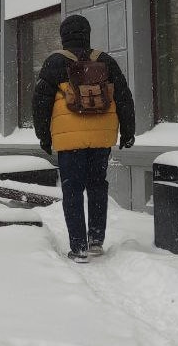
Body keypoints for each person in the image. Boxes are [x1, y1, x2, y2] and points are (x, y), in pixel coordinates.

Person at [32, 15, 135, 263]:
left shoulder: (55, 62)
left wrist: (44, 137)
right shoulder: (105, 61)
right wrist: (128, 131)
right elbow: (123, 96)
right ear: (87, 33)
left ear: (64, 35)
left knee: (73, 190)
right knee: (97, 185)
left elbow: (40, 103)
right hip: (102, 137)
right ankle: (96, 240)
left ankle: (78, 247)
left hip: (69, 140)